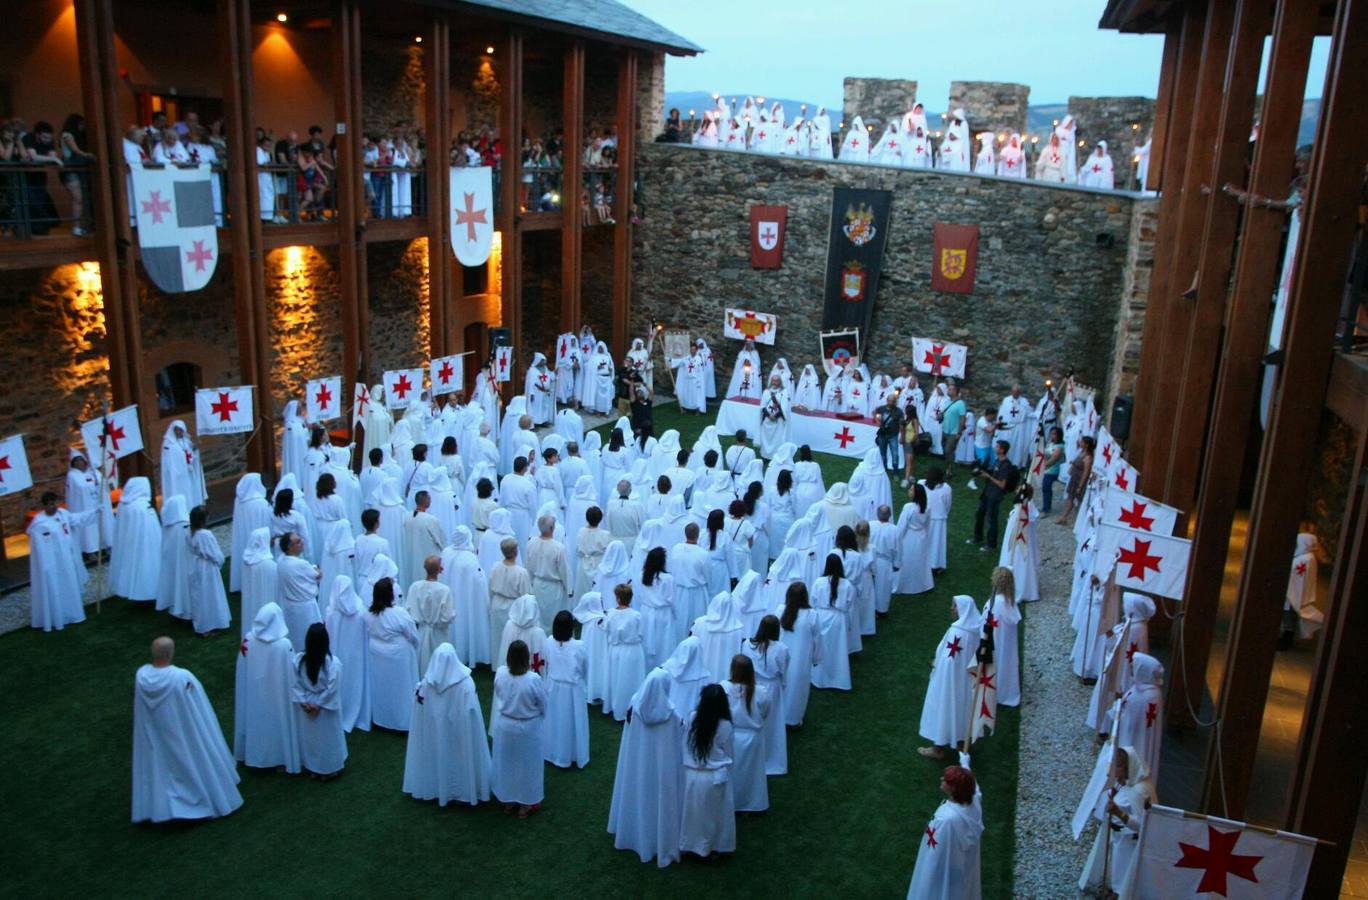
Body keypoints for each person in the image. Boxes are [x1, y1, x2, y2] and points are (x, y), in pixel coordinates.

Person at [132, 637, 243, 823]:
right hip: (180, 730)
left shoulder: (141, 676)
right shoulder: (181, 677)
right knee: (188, 760)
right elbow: (196, 704)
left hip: (156, 730)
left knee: (162, 762)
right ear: (171, 653)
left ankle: (163, 806)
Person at [607, 665, 683, 867]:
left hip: (637, 765)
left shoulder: (635, 703)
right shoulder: (672, 715)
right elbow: (675, 746)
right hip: (661, 770)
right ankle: (659, 838)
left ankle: (632, 831)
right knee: (659, 798)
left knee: (637, 791)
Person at [403, 642, 491, 806]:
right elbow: (473, 714)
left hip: (435, 733)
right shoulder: (465, 684)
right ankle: (463, 791)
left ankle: (436, 787)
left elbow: (418, 713)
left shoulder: (424, 686)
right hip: (460, 734)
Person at [233, 603, 301, 773]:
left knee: (257, 720)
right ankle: (279, 757)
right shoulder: (283, 645)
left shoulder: (249, 639)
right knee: (277, 723)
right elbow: (291, 672)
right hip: (277, 693)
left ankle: (254, 754)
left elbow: (243, 667)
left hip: (256, 691)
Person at [906, 755, 984, 898]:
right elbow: (976, 790)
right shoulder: (973, 804)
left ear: (954, 788)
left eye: (946, 780)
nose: (942, 779)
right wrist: (965, 764)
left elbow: (938, 855)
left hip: (945, 870)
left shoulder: (946, 820)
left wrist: (927, 875)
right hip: (962, 865)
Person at [918, 596, 982, 758]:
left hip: (949, 680)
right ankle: (961, 743)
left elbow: (948, 660)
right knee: (962, 708)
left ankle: (938, 748)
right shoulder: (976, 629)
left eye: (954, 606)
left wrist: (936, 665)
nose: (951, 608)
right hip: (966, 680)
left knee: (944, 707)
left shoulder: (958, 631)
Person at [491, 640, 548, 817]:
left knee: (507, 763)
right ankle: (526, 802)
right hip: (528, 726)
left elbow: (499, 694)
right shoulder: (533, 680)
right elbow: (543, 703)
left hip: (505, 725)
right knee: (528, 765)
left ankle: (508, 799)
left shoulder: (500, 674)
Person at [679, 683, 736, 858]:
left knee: (692, 814)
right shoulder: (725, 725)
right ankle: (710, 849)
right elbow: (729, 751)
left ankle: (690, 845)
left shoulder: (692, 718)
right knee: (714, 817)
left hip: (692, 774)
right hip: (714, 776)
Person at [27, 490, 93, 631]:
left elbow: (76, 518)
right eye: (51, 504)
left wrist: (94, 511)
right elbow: (41, 548)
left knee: (70, 585)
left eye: (55, 503)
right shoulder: (39, 523)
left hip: (67, 560)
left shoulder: (62, 514)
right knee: (56, 588)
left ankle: (73, 613)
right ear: (44, 506)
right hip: (53, 564)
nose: (54, 507)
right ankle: (57, 616)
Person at [290, 622, 347, 779]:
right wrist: (319, 705)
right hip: (323, 706)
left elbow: (294, 683)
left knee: (311, 738)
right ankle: (329, 767)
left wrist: (305, 702)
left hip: (308, 703)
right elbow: (332, 687)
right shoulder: (332, 663)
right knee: (328, 737)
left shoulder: (298, 660)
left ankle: (313, 766)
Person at [366, 577, 419, 731]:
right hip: (398, 655)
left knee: (382, 686)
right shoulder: (398, 613)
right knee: (401, 688)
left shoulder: (369, 613)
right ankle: (402, 721)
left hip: (377, 653)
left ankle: (383, 718)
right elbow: (412, 635)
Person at [539, 610, 589, 768]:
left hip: (553, 687)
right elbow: (584, 667)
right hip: (573, 690)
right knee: (571, 722)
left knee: (554, 721)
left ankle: (553, 751)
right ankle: (571, 754)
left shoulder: (548, 642)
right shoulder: (578, 646)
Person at [720, 654, 770, 813]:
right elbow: (765, 712)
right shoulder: (761, 692)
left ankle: (732, 802)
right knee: (751, 774)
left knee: (733, 772)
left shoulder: (724, 688)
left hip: (732, 736)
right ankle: (751, 803)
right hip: (752, 736)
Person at [741, 615, 789, 775]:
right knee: (772, 722)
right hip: (772, 687)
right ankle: (771, 757)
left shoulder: (747, 645)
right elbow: (783, 669)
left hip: (751, 685)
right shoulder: (781, 648)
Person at [439, 526, 490, 668]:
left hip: (450, 598)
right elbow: (479, 582)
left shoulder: (445, 553)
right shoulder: (470, 558)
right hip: (466, 600)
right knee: (465, 623)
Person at [108, 476, 160, 602]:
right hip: (145, 544)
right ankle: (148, 592)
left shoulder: (123, 505)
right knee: (145, 566)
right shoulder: (141, 507)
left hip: (130, 544)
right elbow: (149, 527)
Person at [809, 554, 854, 690]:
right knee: (838, 650)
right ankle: (838, 679)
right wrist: (849, 623)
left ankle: (819, 678)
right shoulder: (847, 585)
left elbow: (812, 601)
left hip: (821, 616)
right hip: (839, 619)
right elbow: (850, 605)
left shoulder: (818, 582)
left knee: (821, 648)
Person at [406, 555, 455, 676]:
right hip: (438, 632)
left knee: (421, 659)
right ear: (440, 570)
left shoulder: (415, 587)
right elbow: (447, 616)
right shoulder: (444, 590)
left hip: (421, 631)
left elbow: (409, 610)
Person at [605, 584, 647, 721]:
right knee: (630, 680)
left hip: (615, 650)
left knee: (616, 679)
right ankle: (629, 707)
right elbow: (641, 634)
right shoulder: (636, 615)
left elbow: (606, 629)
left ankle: (615, 706)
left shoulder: (610, 614)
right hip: (632, 650)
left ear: (617, 598)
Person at [187, 506, 231, 634]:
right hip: (207, 567)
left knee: (200, 596)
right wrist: (220, 561)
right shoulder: (206, 535)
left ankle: (202, 624)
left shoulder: (190, 533)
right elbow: (215, 553)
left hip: (196, 566)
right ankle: (213, 623)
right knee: (211, 595)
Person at [487, 537, 531, 663]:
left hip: (497, 603)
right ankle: (513, 663)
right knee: (511, 638)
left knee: (498, 637)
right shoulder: (521, 572)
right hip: (513, 607)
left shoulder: (495, 567)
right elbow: (526, 595)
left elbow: (490, 587)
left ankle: (497, 663)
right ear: (516, 552)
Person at [276, 532, 322, 648]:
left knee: (295, 635)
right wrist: (316, 568)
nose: (302, 543)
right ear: (289, 547)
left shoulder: (281, 561)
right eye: (298, 542)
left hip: (290, 605)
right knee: (310, 637)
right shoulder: (301, 564)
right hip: (306, 607)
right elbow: (318, 575)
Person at [526, 514, 571, 628]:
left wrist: (530, 584)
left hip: (537, 585)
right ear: (552, 528)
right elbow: (564, 571)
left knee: (540, 617)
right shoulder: (558, 548)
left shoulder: (531, 543)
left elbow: (528, 566)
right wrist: (569, 589)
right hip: (554, 588)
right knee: (552, 619)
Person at [971, 441, 1017, 552]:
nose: (995, 448)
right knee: (979, 514)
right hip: (987, 493)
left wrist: (989, 477)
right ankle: (977, 538)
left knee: (992, 519)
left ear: (1002, 450)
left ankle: (991, 544)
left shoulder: (1005, 465)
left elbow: (1002, 484)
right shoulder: (997, 461)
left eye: (997, 446)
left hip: (995, 495)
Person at [65, 451, 111, 559]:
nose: (79, 462)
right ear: (73, 463)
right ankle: (90, 550)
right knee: (89, 528)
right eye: (76, 461)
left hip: (97, 504)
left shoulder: (94, 473)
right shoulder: (72, 476)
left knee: (103, 524)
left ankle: (105, 545)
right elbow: (77, 491)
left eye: (81, 460)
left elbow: (103, 486)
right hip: (84, 506)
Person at [999, 486, 1040, 602]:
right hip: (1016, 541)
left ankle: (1019, 589)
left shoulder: (1023, 511)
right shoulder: (1022, 509)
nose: (1016, 490)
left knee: (1019, 563)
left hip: (1019, 545)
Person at [159, 420, 207, 506]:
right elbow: (170, 461)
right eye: (176, 430)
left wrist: (195, 448)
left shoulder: (186, 441)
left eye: (180, 430)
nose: (178, 432)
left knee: (190, 494)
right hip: (177, 476)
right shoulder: (168, 444)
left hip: (188, 473)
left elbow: (190, 453)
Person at [1057, 435, 1095, 527]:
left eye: (1082, 442)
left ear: (1086, 445)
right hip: (1074, 478)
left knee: (1081, 502)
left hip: (1079, 481)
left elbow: (1086, 473)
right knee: (1070, 499)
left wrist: (1080, 486)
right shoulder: (1081, 452)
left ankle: (1081, 523)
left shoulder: (1088, 457)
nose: (1080, 443)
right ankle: (1063, 517)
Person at [1040, 426, 1066, 515]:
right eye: (1051, 434)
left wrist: (1042, 466)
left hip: (1053, 470)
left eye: (1054, 434)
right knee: (1045, 488)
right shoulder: (1050, 443)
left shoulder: (1060, 446)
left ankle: (1046, 509)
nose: (1052, 436)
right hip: (1047, 469)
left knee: (1046, 488)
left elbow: (1053, 459)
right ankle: (1046, 506)